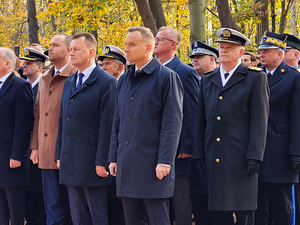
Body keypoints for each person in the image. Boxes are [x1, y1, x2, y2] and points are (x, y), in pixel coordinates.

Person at [193, 28, 270, 225]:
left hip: (242, 158)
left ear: (241, 52)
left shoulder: (254, 78)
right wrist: (199, 153)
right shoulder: (208, 80)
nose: (224, 50)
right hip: (215, 157)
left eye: (229, 47)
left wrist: (255, 155)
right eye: (221, 47)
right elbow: (201, 121)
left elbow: (259, 121)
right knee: (219, 212)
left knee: (244, 212)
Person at [108, 26, 183, 225]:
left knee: (158, 219)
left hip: (153, 164)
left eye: (132, 44)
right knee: (132, 220)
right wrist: (114, 157)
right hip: (126, 163)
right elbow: (117, 121)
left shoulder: (166, 77)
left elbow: (172, 123)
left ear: (148, 47)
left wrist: (165, 160)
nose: (127, 49)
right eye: (126, 44)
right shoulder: (124, 80)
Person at [55, 32, 116, 225]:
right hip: (71, 160)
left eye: (76, 49)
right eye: (70, 49)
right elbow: (62, 120)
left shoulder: (106, 82)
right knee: (78, 216)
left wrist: (102, 160)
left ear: (91, 52)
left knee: (97, 215)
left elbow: (108, 125)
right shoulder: (71, 81)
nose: (71, 53)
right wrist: (59, 154)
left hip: (92, 162)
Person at [30, 33, 77, 225]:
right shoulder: (44, 78)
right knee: (51, 202)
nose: (50, 48)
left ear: (68, 50)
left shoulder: (76, 75)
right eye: (49, 44)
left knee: (73, 202)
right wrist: (35, 146)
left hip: (69, 150)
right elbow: (38, 115)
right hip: (46, 149)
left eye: (55, 45)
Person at [153, 26, 198, 225]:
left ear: (173, 44)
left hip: (178, 150)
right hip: (153, 146)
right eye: (154, 38)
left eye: (160, 39)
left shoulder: (185, 73)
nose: (155, 41)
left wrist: (187, 145)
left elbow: (191, 112)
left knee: (180, 200)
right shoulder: (151, 70)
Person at [255, 31, 300, 225]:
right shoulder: (254, 75)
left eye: (266, 51)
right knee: (258, 205)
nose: (261, 54)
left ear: (280, 54)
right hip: (256, 151)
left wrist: (296, 152)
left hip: (281, 152)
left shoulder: (293, 77)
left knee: (281, 205)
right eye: (260, 51)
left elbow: (297, 117)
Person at [0, 47, 34, 225]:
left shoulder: (21, 86)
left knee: (15, 208)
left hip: (11, 157)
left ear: (7, 63)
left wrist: (17, 155)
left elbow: (24, 124)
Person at [189, 40, 219, 225]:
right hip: (195, 149)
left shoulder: (220, 81)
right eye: (193, 57)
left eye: (199, 57)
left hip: (215, 150)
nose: (195, 60)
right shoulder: (194, 80)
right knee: (198, 200)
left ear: (212, 59)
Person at [20, 47, 48, 225]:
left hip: (39, 149)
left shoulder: (44, 87)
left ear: (40, 67)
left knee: (40, 194)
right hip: (23, 150)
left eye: (29, 63)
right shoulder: (25, 87)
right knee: (28, 195)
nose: (24, 65)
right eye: (24, 62)